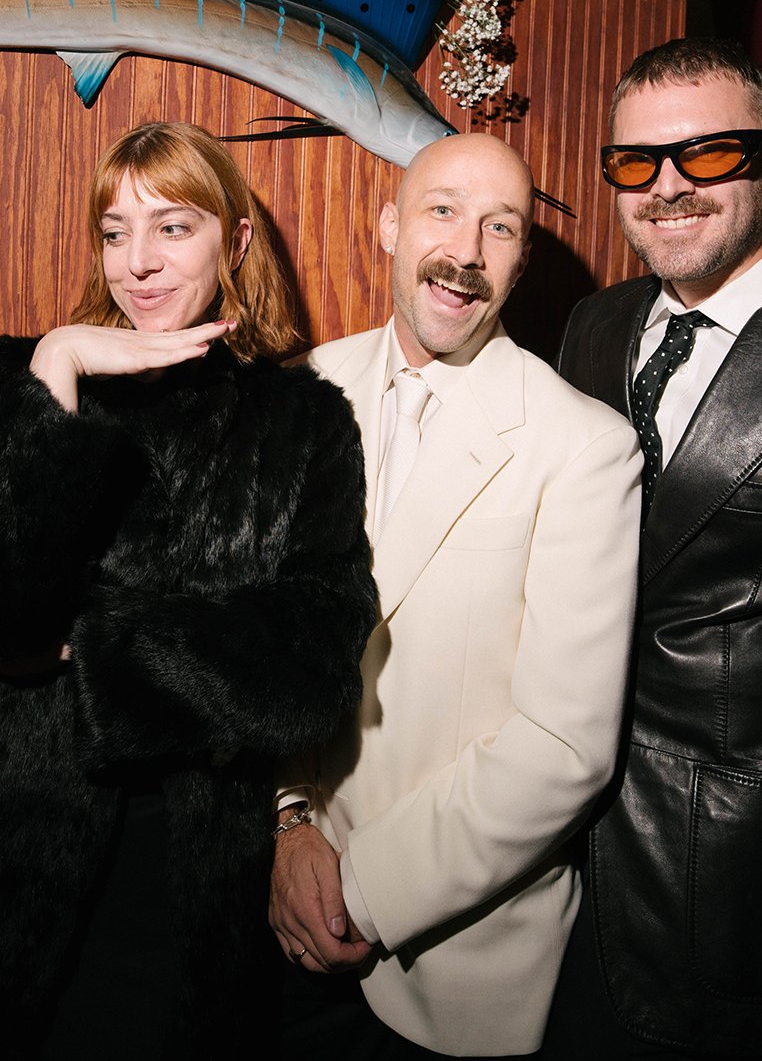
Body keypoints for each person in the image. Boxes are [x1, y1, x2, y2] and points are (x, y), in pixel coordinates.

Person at [0, 121, 377, 1061]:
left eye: (172, 227)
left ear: (237, 238)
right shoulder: (21, 376)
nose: (137, 262)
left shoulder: (304, 419)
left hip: (183, 873)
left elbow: (315, 657)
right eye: (115, 232)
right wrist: (60, 367)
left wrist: (98, 651)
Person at [269, 132, 643, 1059]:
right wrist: (288, 821)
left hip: (453, 973)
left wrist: (359, 887)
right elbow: (265, 641)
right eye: (442, 210)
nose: (466, 250)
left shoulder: (585, 446)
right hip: (275, 918)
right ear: (390, 225)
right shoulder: (304, 388)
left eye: (500, 226)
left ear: (521, 259)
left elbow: (564, 746)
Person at [541, 38, 762, 1059]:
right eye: (635, 162)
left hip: (745, 861)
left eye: (708, 154)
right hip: (555, 841)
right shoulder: (593, 325)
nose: (666, 187)